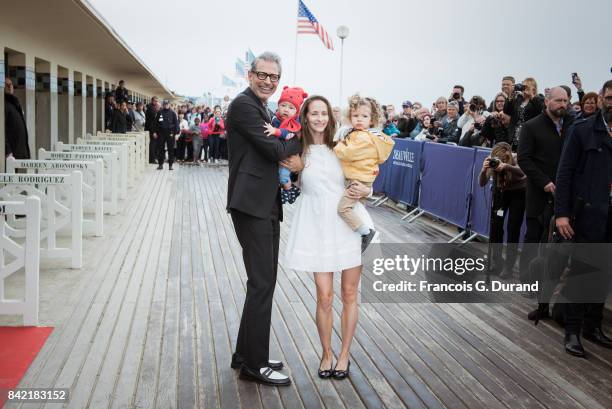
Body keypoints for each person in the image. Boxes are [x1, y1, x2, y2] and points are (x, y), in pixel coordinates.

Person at [283, 95, 373, 381]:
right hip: (316, 226)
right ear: (305, 116)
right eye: (314, 113)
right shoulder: (297, 148)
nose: (320, 118)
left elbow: (367, 177)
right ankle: (326, 353)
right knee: (324, 296)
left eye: (324, 113)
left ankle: (344, 354)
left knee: (349, 294)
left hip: (347, 223)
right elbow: (287, 182)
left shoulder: (343, 145)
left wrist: (366, 191)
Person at [226, 51, 302, 386]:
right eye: (263, 75)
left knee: (263, 282)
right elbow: (274, 151)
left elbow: (278, 145)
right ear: (250, 74)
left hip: (266, 204)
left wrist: (288, 141)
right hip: (251, 204)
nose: (269, 81)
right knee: (261, 283)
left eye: (274, 77)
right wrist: (301, 139)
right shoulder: (244, 106)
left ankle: (246, 353)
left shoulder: (264, 109)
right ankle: (254, 365)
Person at [554, 79, 612, 357]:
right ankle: (573, 331)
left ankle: (593, 326)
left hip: (610, 217)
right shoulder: (582, 129)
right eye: (610, 98)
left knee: (604, 273)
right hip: (587, 214)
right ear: (601, 98)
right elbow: (564, 174)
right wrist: (562, 214)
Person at [517, 87, 574, 320]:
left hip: (565, 196)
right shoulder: (532, 126)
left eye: (566, 101)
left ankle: (546, 292)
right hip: (540, 194)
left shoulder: (573, 124)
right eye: (558, 100)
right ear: (547, 101)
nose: (563, 104)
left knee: (555, 250)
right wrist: (545, 183)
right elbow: (524, 159)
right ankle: (529, 284)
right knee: (534, 240)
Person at [334, 94, 394, 250]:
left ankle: (366, 233)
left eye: (364, 116)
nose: (359, 119)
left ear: (372, 119)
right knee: (357, 209)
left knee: (344, 209)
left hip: (357, 179)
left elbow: (347, 153)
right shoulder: (360, 134)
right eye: (355, 116)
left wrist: (339, 145)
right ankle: (356, 238)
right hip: (361, 177)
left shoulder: (363, 137)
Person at [479, 142, 526, 277]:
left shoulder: (516, 159)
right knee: (496, 225)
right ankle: (497, 261)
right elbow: (482, 183)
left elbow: (524, 173)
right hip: (501, 194)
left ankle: (509, 266)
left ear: (508, 155)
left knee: (513, 227)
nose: (500, 162)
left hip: (518, 194)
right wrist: (484, 170)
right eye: (499, 160)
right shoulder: (491, 160)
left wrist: (507, 166)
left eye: (504, 159)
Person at [263, 85, 308, 204]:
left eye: (291, 108)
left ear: (296, 111)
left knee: (283, 175)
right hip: (280, 154)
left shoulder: (294, 122)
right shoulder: (276, 118)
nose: (286, 109)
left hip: (288, 156)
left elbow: (287, 133)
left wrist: (275, 131)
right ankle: (287, 190)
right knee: (278, 175)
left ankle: (289, 190)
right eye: (283, 105)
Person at [504, 77, 545, 150]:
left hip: (528, 135)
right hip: (514, 135)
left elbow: (540, 110)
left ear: (534, 89)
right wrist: (510, 96)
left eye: (527, 87)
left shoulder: (538, 99)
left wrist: (531, 96)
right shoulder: (518, 99)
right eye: (523, 86)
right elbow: (506, 111)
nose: (524, 89)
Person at [4, 77, 31, 159]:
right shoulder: (4, 105)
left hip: (18, 153)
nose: (9, 86)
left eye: (11, 84)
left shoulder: (14, 104)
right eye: (6, 84)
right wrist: (7, 151)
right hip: (9, 156)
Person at [152, 100, 179, 170]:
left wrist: (176, 134)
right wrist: (154, 132)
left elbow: (176, 124)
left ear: (169, 104)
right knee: (160, 149)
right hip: (161, 133)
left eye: (167, 104)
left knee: (171, 149)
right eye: (165, 104)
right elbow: (155, 123)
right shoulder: (159, 112)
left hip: (170, 133)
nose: (166, 105)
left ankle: (170, 165)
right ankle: (160, 164)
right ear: (163, 105)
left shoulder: (173, 113)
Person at [145, 96, 160, 163]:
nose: (156, 102)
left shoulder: (153, 108)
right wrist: (153, 132)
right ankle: (152, 159)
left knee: (154, 144)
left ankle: (153, 158)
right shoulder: (151, 108)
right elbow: (151, 122)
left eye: (157, 101)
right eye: (155, 101)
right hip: (151, 129)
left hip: (153, 129)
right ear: (152, 101)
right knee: (152, 144)